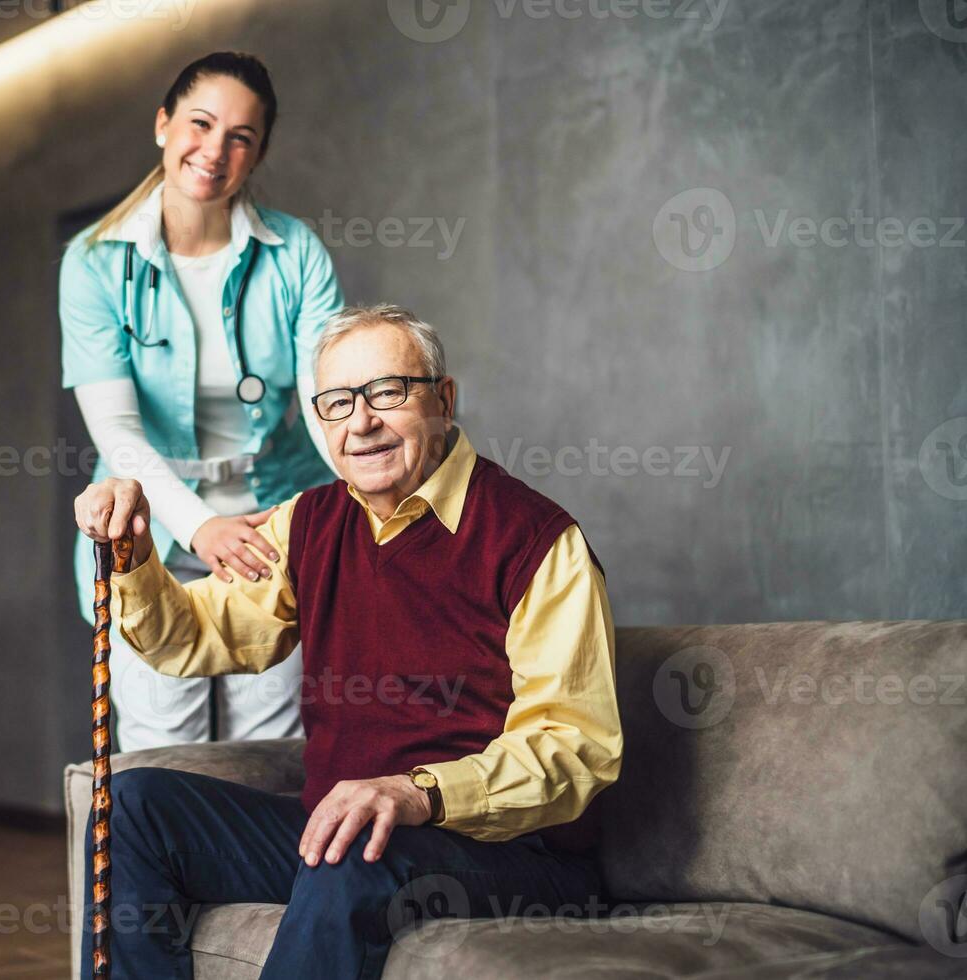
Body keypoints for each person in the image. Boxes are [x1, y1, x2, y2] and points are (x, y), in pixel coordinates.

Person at [72, 304, 623, 979]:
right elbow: (191, 639)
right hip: (346, 838)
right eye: (335, 403)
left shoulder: (536, 541)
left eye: (387, 393)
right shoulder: (309, 521)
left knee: (355, 847)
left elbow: (576, 749)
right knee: (132, 808)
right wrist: (133, 555)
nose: (360, 423)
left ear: (444, 400)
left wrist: (415, 792)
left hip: (517, 858)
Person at [60, 51, 344, 752]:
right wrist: (199, 528)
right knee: (163, 752)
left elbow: (326, 396)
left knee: (272, 749)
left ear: (259, 153)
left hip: (271, 531)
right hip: (151, 536)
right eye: (201, 123)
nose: (215, 150)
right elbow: (117, 432)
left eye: (241, 136)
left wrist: (361, 501)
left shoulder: (295, 253)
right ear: (163, 125)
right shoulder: (94, 262)